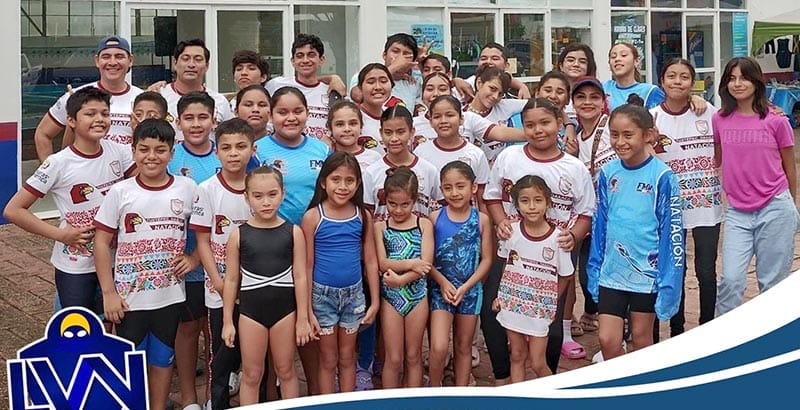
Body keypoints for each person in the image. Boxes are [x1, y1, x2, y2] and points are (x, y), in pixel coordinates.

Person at [483, 98, 594, 383]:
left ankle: (548, 382)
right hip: (511, 255)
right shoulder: (509, 157)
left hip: (551, 260)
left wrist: (574, 236)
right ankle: (503, 378)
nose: (538, 130)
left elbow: (585, 213)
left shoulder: (574, 168)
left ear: (559, 123)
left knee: (551, 328)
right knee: (494, 316)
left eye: (545, 123)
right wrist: (501, 221)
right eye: (530, 125)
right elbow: (492, 196)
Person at [92, 118, 197, 410]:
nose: (152, 156)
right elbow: (101, 243)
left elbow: (206, 231)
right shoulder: (120, 192)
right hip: (129, 300)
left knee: (162, 358)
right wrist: (109, 292)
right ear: (133, 151)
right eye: (144, 149)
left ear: (172, 153)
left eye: (160, 150)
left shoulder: (187, 188)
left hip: (169, 296)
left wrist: (194, 258)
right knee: (130, 363)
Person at [4, 87, 134, 312]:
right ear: (71, 121)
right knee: (77, 323)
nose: (99, 119)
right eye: (90, 114)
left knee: (114, 320)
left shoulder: (119, 151)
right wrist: (60, 235)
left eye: (105, 113)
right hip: (76, 265)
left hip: (117, 259)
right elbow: (13, 210)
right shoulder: (58, 163)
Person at [587, 103, 685, 361]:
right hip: (611, 272)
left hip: (646, 274)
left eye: (628, 135)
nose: (620, 142)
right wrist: (594, 266)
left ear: (648, 135)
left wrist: (669, 281)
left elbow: (672, 233)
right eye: (614, 135)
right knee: (607, 339)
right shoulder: (608, 173)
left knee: (641, 338)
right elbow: (600, 223)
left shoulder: (662, 176)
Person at [253, 86, 331, 395]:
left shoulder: (321, 150)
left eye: (297, 111)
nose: (290, 118)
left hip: (313, 246)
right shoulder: (258, 150)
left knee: (309, 320)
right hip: (272, 246)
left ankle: (314, 391)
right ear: (271, 115)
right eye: (282, 112)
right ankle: (272, 394)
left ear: (308, 114)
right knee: (276, 322)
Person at [221, 166, 315, 404]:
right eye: (258, 196)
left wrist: (302, 318)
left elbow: (300, 276)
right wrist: (227, 321)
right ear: (247, 197)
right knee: (252, 375)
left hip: (285, 313)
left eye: (272, 194)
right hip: (251, 314)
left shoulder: (293, 232)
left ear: (283, 193)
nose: (266, 202)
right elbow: (231, 280)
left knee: (286, 371)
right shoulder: (238, 235)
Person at [713, 57, 798, 316]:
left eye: (744, 78)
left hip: (775, 207)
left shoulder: (777, 120)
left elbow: (789, 166)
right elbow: (718, 158)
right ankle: (723, 336)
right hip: (737, 212)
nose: (737, 84)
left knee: (772, 285)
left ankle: (771, 336)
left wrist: (791, 206)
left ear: (756, 81)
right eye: (732, 78)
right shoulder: (719, 119)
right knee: (731, 280)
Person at [650, 58, 722, 334]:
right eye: (671, 76)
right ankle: (677, 328)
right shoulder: (652, 117)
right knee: (674, 270)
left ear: (693, 83)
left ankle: (707, 327)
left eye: (684, 77)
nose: (677, 81)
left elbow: (723, 145)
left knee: (706, 270)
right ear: (662, 82)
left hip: (706, 204)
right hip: (670, 208)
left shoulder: (709, 113)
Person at [300, 152, 380, 393]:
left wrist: (375, 302)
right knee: (327, 359)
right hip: (321, 298)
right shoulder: (313, 217)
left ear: (358, 183)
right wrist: (307, 310)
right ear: (324, 182)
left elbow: (371, 261)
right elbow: (307, 266)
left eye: (349, 180)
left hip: (354, 297)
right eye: (336, 179)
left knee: (347, 357)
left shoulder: (362, 216)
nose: (343, 187)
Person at [190, 118, 256, 409]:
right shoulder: (207, 189)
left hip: (254, 287)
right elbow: (202, 241)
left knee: (254, 353)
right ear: (216, 152)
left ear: (252, 150)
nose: (234, 153)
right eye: (226, 147)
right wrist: (217, 281)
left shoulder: (259, 186)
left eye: (241, 146)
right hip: (218, 289)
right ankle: (215, 403)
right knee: (221, 353)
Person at [167, 91, 222, 409]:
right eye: (189, 118)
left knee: (215, 331)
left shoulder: (226, 153)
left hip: (223, 261)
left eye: (203, 117)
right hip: (184, 263)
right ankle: (189, 397)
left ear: (214, 120)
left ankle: (215, 393)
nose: (196, 124)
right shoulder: (170, 157)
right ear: (178, 122)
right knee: (188, 329)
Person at [494, 175, 574, 382]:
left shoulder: (559, 238)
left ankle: (554, 394)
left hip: (540, 310)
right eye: (525, 201)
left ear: (548, 203)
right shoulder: (511, 232)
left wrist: (552, 301)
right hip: (512, 304)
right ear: (516, 204)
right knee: (517, 355)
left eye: (538, 200)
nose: (531, 207)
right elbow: (506, 264)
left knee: (538, 362)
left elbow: (566, 276)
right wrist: (500, 295)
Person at [427, 161, 493, 387]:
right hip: (440, 291)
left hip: (470, 292)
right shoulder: (435, 218)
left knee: (464, 347)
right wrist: (443, 283)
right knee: (438, 347)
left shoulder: (481, 220)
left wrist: (466, 287)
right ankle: (433, 391)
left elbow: (487, 260)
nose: (454, 193)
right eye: (448, 188)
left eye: (460, 186)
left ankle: (461, 392)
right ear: (441, 189)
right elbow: (427, 260)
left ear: (473, 187)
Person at [373, 166, 434, 389]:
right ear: (385, 201)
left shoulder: (423, 224)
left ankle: (412, 401)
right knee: (393, 357)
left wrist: (401, 279)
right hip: (391, 298)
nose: (398, 210)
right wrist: (411, 264)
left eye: (405, 204)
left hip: (417, 296)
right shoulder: (380, 227)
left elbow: (426, 264)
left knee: (413, 356)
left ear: (415, 200)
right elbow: (382, 263)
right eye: (392, 204)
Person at [34, 35, 143, 160]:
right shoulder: (76, 96)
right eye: (106, 57)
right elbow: (42, 133)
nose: (112, 62)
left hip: (129, 171)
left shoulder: (143, 99)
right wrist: (51, 168)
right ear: (97, 61)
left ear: (130, 60)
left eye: (119, 56)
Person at [362, 104, 441, 222]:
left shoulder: (428, 170)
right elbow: (367, 214)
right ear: (381, 133)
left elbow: (444, 207)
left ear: (411, 132)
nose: (394, 138)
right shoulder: (371, 172)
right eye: (388, 132)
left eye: (400, 132)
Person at [413, 95, 491, 211]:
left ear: (461, 119)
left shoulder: (476, 154)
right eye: (437, 116)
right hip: (430, 220)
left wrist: (485, 222)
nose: (443, 121)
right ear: (430, 121)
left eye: (450, 115)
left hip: (468, 221)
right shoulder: (420, 152)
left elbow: (483, 199)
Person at [158, 39, 234, 141]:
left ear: (207, 66)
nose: (191, 65)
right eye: (186, 59)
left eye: (198, 59)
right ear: (175, 63)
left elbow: (230, 138)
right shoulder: (159, 97)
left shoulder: (219, 101)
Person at [266, 34, 336, 144]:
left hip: (321, 151)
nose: (305, 60)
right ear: (292, 61)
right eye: (300, 56)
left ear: (321, 59)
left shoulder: (332, 92)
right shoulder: (276, 85)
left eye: (311, 55)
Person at [465, 67, 528, 163]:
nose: (495, 96)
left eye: (500, 94)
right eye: (492, 89)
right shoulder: (461, 114)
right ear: (479, 83)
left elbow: (538, 105)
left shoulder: (503, 106)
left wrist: (522, 87)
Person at [349, 33, 423, 108]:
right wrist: (393, 67)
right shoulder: (362, 77)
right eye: (395, 51)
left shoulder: (413, 83)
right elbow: (358, 97)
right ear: (384, 55)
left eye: (406, 53)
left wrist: (422, 64)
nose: (400, 57)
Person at [453, 42, 532, 102]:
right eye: (483, 58)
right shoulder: (466, 86)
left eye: (495, 58)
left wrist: (522, 86)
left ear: (506, 65)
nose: (488, 62)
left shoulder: (516, 93)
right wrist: (454, 81)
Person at [354, 63, 404, 154]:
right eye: (371, 82)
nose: (378, 87)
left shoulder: (395, 116)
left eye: (383, 81)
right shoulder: (352, 118)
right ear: (360, 88)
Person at [328, 100, 383, 170]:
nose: (347, 129)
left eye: (353, 123)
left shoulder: (374, 158)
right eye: (340, 124)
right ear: (330, 128)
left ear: (361, 126)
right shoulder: (324, 156)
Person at [556, 43, 597, 120]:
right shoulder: (552, 94)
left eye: (582, 62)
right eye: (570, 60)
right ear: (561, 66)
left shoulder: (597, 93)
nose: (576, 64)